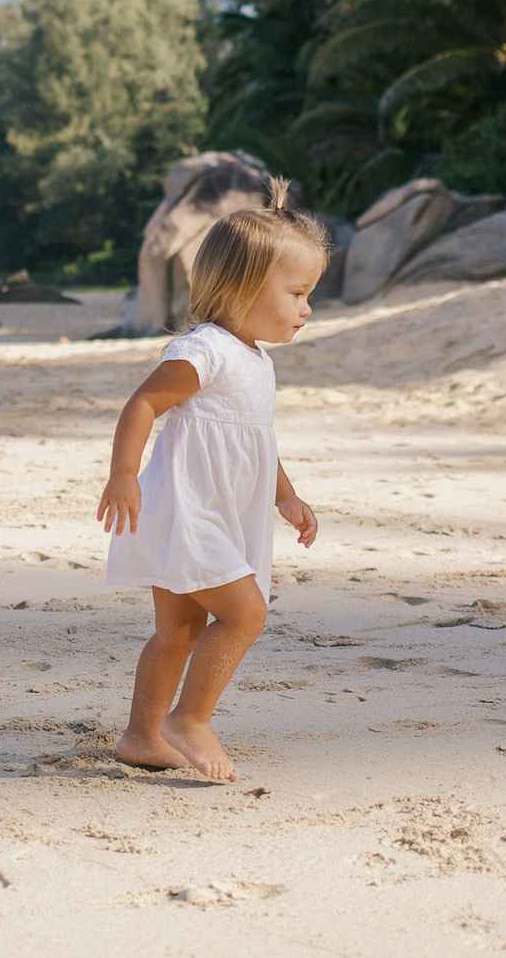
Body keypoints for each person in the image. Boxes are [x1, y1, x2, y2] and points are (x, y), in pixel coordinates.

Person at [96, 180, 327, 782]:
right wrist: (123, 475)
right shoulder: (206, 350)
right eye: (297, 293)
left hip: (216, 514)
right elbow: (144, 403)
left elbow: (255, 438)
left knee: (177, 631)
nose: (307, 308)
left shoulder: (257, 360)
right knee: (246, 615)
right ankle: (190, 720)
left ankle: (142, 736)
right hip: (186, 511)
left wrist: (286, 496)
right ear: (244, 287)